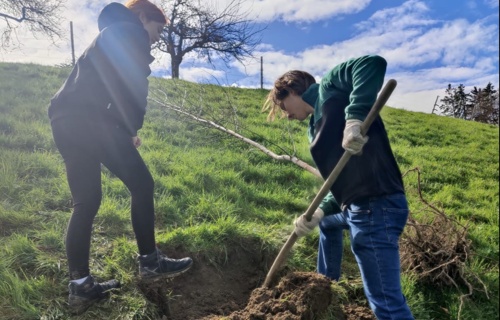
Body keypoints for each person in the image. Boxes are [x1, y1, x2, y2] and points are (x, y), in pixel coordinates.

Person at [48, 0, 192, 315]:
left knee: (86, 200)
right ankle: (150, 263)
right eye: (157, 28)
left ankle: (81, 285)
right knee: (143, 184)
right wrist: (130, 128)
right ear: (141, 17)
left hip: (64, 119)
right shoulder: (130, 31)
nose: (157, 38)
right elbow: (132, 85)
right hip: (92, 120)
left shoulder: (107, 35)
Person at [262, 55, 414, 320]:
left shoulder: (330, 88)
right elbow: (338, 181)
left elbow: (372, 63)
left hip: (376, 206)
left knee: (386, 304)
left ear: (293, 90)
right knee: (329, 224)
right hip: (357, 207)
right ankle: (324, 286)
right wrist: (318, 213)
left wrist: (354, 119)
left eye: (283, 105)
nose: (285, 115)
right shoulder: (313, 128)